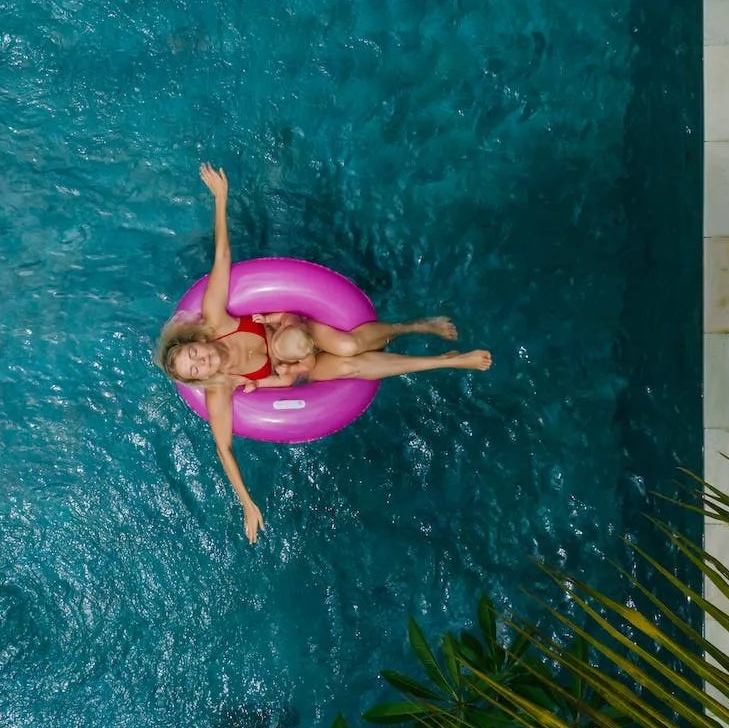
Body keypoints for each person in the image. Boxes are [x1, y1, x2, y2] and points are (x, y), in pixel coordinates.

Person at [156, 164, 491, 543]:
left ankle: (413, 326)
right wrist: (247, 503)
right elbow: (224, 448)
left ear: (196, 341)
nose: (203, 361)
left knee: (348, 344)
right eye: (196, 369)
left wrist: (221, 200)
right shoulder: (222, 389)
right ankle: (443, 362)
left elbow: (222, 261)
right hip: (303, 367)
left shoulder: (217, 320)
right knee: (350, 364)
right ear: (201, 380)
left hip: (296, 330)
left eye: (194, 354)